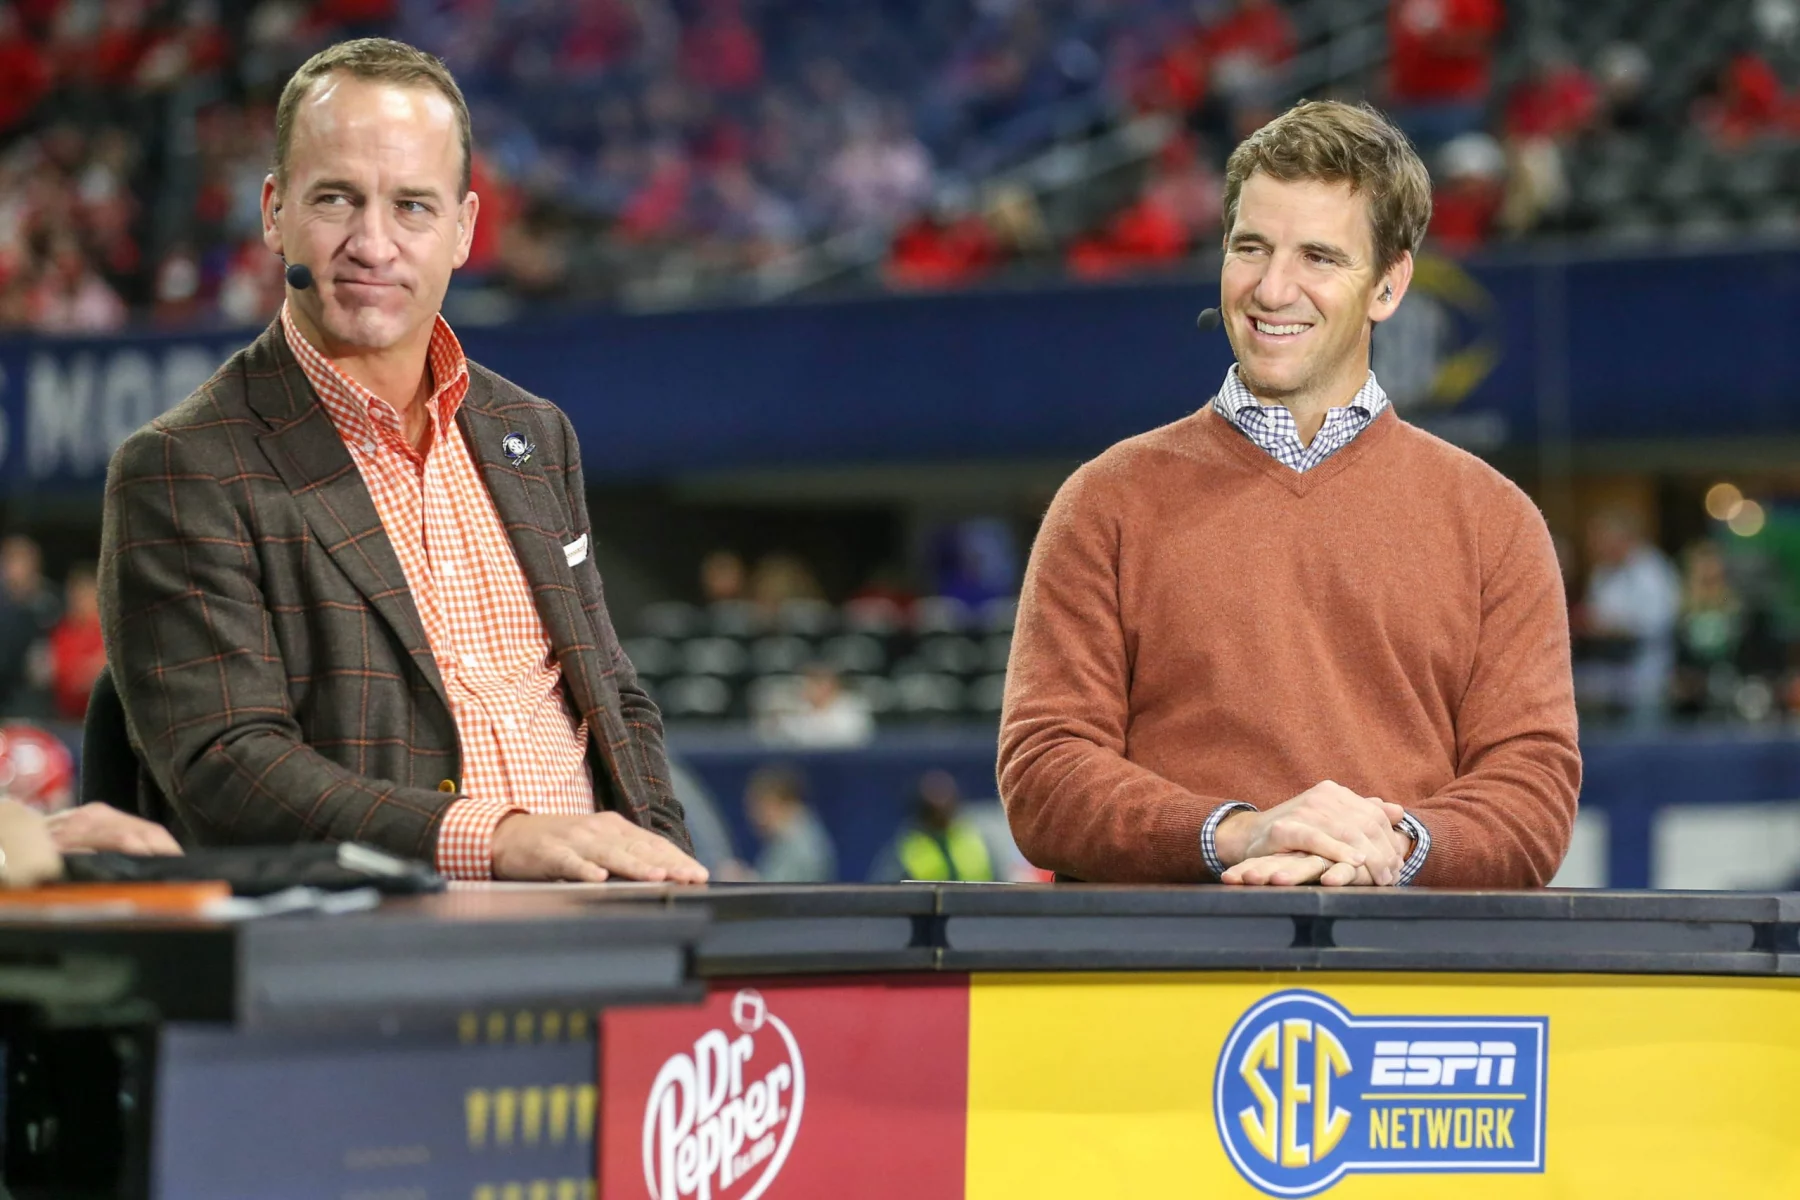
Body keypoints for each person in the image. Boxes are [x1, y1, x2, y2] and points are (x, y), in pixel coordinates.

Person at [97, 39, 703, 885]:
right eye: (338, 198)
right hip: (377, 961)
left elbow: (614, 699)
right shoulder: (181, 467)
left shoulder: (532, 433)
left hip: (608, 938)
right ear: (274, 212)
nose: (373, 244)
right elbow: (226, 766)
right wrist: (488, 838)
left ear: (463, 230)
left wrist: (669, 867)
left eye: (414, 206)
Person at [998, 100, 1579, 889]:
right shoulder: (1104, 503)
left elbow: (1533, 794)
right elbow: (1045, 774)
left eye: (1318, 257)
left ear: (1388, 284)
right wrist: (1239, 833)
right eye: (1251, 248)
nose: (1274, 289)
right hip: (1158, 990)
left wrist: (1394, 846)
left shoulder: (1494, 521)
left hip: (1402, 998)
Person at [1576, 508, 1681, 725]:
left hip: (1646, 667)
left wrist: (1618, 626)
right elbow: (1597, 615)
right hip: (1607, 663)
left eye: (1602, 538)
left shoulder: (1652, 570)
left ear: (1621, 537)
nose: (1596, 546)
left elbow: (1660, 622)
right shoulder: (1602, 572)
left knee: (1642, 729)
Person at [869, 770, 995, 883]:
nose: (943, 806)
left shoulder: (975, 839)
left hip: (977, 907)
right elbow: (887, 892)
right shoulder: (907, 850)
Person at [743, 765, 836, 883]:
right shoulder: (789, 838)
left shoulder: (799, 845)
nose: (753, 815)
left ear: (775, 803)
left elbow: (776, 895)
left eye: (757, 806)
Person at [0, 535, 60, 718]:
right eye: (11, 561)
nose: (17, 568)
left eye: (23, 561)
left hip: (34, 694)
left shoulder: (50, 601)